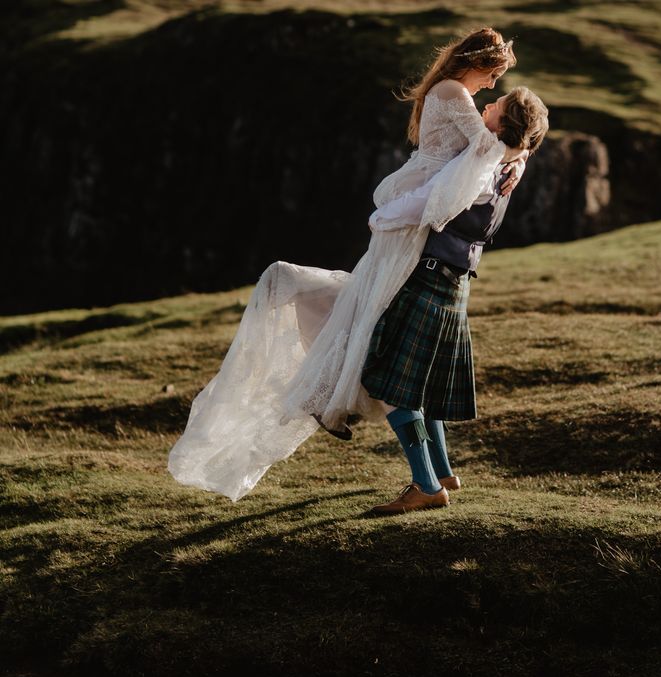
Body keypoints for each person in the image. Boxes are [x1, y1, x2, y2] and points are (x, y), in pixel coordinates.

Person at [168, 28, 528, 502]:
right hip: (405, 232)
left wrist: (517, 152)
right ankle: (349, 409)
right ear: (476, 64)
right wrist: (518, 153)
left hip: (407, 232)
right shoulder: (451, 92)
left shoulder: (448, 93)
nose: (489, 88)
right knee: (369, 323)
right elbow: (488, 147)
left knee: (373, 331)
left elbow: (488, 147)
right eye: (492, 76)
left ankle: (385, 441)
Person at [362, 86, 550, 515]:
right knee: (421, 383)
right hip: (455, 278)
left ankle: (426, 486)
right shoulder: (510, 160)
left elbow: (432, 203)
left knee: (389, 378)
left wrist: (379, 218)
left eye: (495, 107)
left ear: (502, 126)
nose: (486, 105)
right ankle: (443, 472)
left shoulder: (482, 162)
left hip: (431, 275)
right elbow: (518, 149)